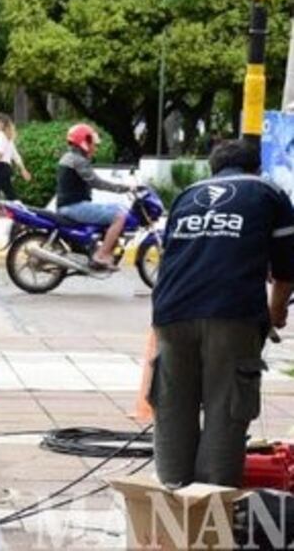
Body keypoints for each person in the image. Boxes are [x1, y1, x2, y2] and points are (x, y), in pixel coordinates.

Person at [150, 139, 294, 488]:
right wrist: (275, 312)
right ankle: (208, 510)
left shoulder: (188, 195)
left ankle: (172, 502)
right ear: (254, 168)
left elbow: (172, 255)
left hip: (170, 314)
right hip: (232, 314)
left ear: (212, 170)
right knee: (226, 409)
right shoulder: (268, 191)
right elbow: (288, 267)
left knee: (172, 409)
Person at [56, 123, 131, 269]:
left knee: (116, 208)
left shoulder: (70, 157)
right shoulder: (78, 161)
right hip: (74, 206)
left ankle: (101, 249)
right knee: (119, 216)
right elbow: (97, 183)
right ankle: (101, 255)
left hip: (72, 205)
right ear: (83, 142)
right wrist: (123, 188)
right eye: (92, 143)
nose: (94, 148)